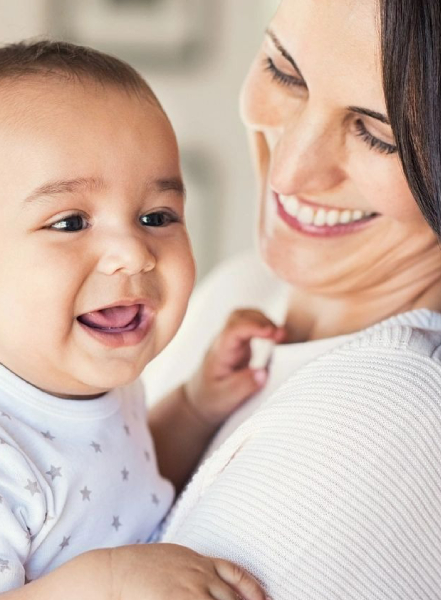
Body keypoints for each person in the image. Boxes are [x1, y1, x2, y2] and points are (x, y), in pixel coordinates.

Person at [0, 41, 273, 600]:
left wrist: (197, 405)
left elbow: (119, 483)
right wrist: (107, 584)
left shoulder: (90, 381)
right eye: (71, 222)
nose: (134, 252)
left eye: (157, 216)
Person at [142, 0, 441, 597]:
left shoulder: (391, 420)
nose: (289, 174)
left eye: (378, 133)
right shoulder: (242, 290)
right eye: (285, 72)